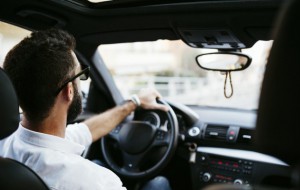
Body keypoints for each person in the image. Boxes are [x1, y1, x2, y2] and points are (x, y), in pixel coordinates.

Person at [0, 28, 171, 190]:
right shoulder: (98, 182)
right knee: (159, 183)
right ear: (69, 91)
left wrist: (134, 102)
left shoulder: (6, 142)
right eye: (80, 74)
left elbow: (84, 131)